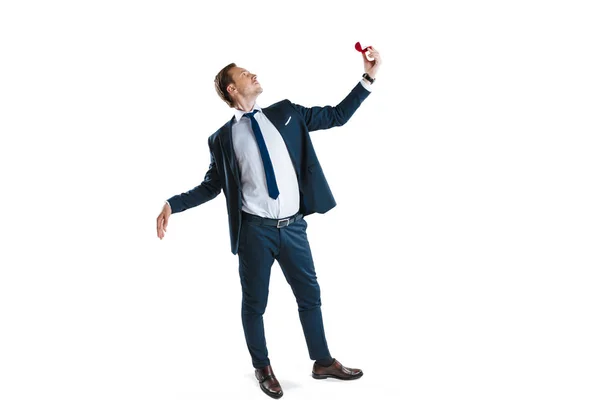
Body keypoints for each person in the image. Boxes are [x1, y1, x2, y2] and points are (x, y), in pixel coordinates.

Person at [156, 45, 381, 399]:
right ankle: (263, 367)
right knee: (254, 304)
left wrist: (368, 77)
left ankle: (322, 362)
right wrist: (173, 203)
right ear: (232, 89)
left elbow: (336, 115)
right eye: (245, 74)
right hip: (255, 233)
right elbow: (211, 186)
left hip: (293, 228)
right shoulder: (222, 139)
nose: (253, 75)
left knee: (310, 295)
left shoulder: (286, 113)